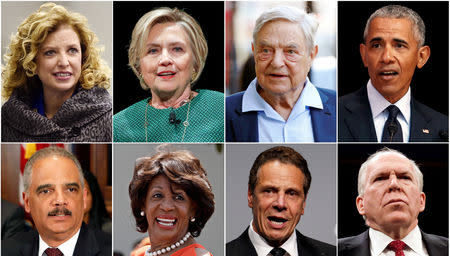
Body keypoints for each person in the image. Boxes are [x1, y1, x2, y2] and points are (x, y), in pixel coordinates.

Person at [1, 2, 112, 142]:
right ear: (31, 62)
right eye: (50, 52)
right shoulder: (9, 119)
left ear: (83, 58)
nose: (64, 62)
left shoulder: (108, 118)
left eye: (72, 50)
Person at [1, 147, 111, 256]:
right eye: (46, 191)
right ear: (27, 202)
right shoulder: (4, 254)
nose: (60, 201)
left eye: (71, 189)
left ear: (83, 199)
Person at [226, 146, 336, 256]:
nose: (280, 203)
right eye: (270, 191)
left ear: (303, 203)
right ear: (250, 195)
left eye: (291, 193)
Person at [338, 5, 448, 142]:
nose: (387, 57)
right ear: (364, 55)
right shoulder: (335, 115)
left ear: (421, 56)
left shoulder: (443, 128)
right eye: (377, 45)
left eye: (399, 46)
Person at [114, 147, 224, 256]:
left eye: (179, 197)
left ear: (193, 209)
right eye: (157, 195)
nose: (167, 207)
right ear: (143, 204)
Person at [226, 6, 336, 142]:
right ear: (254, 52)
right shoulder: (223, 113)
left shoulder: (339, 108)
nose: (277, 63)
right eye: (266, 50)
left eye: (290, 51)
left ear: (311, 55)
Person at [338, 148, 448, 256]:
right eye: (380, 178)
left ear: (421, 201)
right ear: (361, 204)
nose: (394, 184)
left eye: (404, 177)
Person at [113, 7, 224, 142]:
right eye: (153, 51)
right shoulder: (118, 126)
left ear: (195, 61)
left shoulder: (222, 107)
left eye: (177, 49)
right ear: (138, 66)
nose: (165, 60)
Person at [82, 169, 112, 233]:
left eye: (84, 192)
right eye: (73, 190)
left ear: (93, 195)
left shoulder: (108, 230)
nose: (79, 198)